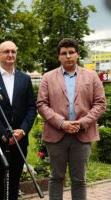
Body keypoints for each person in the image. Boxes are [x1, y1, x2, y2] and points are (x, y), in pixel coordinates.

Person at [37, 38, 107, 200]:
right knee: (56, 177)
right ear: (59, 56)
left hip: (82, 135)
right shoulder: (48, 77)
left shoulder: (92, 76)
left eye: (71, 52)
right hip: (56, 134)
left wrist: (82, 123)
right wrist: (61, 123)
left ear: (77, 54)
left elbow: (100, 103)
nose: (68, 56)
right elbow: (41, 104)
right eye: (64, 53)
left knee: (79, 180)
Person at [0, 41, 37, 200]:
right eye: (6, 51)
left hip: (20, 139)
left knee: (14, 182)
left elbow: (31, 108)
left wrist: (23, 130)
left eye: (13, 51)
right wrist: (3, 133)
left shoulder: (25, 79)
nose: (10, 54)